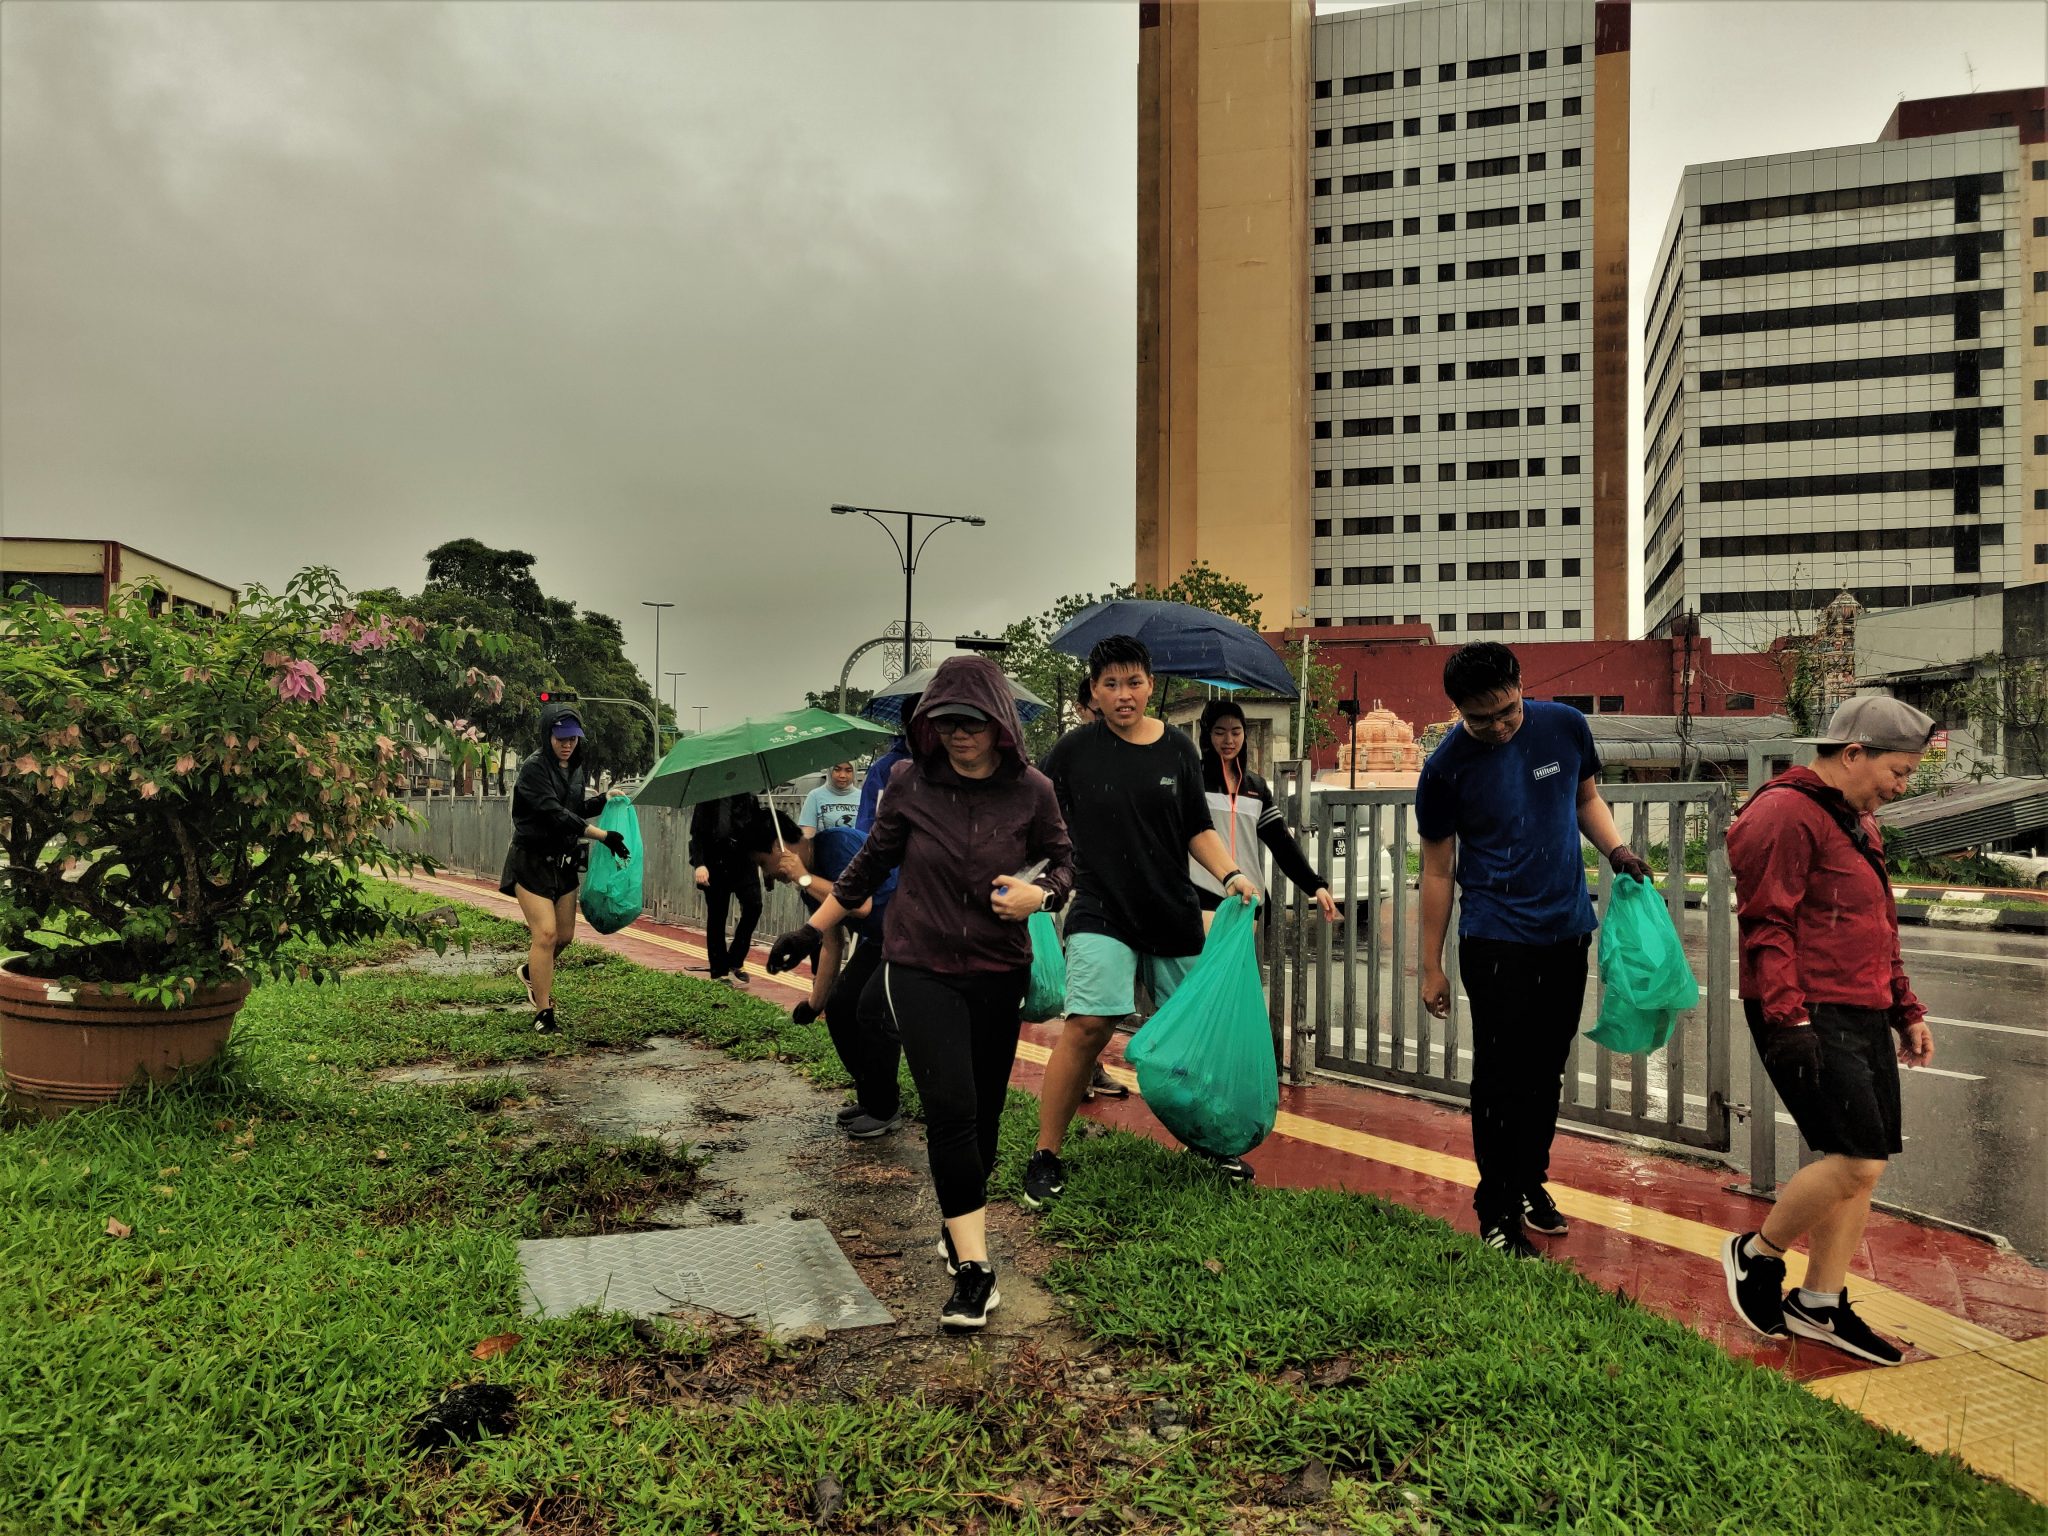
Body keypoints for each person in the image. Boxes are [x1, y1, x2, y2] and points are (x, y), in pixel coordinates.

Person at [766, 657, 1074, 1331]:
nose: (959, 734)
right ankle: (975, 1270)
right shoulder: (908, 782)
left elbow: (1065, 861)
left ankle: (958, 1222)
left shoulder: (1033, 791)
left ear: (1000, 724)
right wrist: (809, 929)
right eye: (945, 722)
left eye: (972, 722)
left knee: (985, 1115)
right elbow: (869, 863)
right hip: (919, 965)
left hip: (998, 968)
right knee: (951, 1110)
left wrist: (1041, 896)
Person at [1414, 643, 1651, 1258]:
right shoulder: (1444, 769)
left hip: (1566, 930)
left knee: (1546, 1070)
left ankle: (1526, 1181)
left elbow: (1584, 798)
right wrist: (1430, 966)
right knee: (1501, 1078)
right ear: (1457, 709)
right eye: (1480, 719)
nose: (1498, 727)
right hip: (1495, 938)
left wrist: (1617, 850)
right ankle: (1495, 1208)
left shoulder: (1565, 726)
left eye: (1507, 711)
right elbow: (1437, 871)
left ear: (1522, 685)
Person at [1720, 696, 1936, 1365]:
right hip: (1809, 1009)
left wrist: (1904, 1008)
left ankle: (1819, 1303)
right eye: (1897, 772)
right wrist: (1788, 1017)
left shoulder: (1855, 820)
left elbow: (1878, 921)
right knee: (1856, 1159)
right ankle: (1757, 1254)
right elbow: (1768, 922)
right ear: (1853, 753)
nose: (1900, 788)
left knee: (1864, 1166)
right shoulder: (1785, 812)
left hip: (1861, 1006)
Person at [1023, 636, 1260, 1206]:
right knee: (1088, 1025)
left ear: (1150, 685)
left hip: (1170, 907)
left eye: (1133, 682)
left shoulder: (1177, 748)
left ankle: (1211, 1142)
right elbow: (1032, 810)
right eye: (1110, 684)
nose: (1123, 694)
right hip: (1101, 908)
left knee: (1193, 1034)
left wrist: (1231, 874)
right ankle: (1046, 1154)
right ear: (1094, 691)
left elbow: (1197, 828)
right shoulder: (1073, 750)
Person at [760, 814, 904, 1139]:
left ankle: (884, 1109)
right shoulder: (807, 886)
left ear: (782, 847)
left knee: (872, 1010)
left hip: (910, 934)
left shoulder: (838, 844)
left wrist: (805, 877)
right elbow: (831, 943)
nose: (767, 874)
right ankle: (872, 1098)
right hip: (879, 941)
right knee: (839, 1008)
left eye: (763, 862)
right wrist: (815, 1004)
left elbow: (861, 904)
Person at [499, 702, 631, 1034]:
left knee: (565, 936)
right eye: (561, 738)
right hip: (531, 862)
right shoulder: (533, 769)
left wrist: (603, 799)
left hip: (564, 863)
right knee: (545, 934)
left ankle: (531, 971)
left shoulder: (574, 768)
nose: (567, 744)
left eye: (572, 738)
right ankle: (544, 1013)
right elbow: (554, 813)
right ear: (548, 736)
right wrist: (603, 836)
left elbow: (573, 808)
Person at [1194, 697, 1339, 927]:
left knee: (1242, 954)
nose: (1229, 740)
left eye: (1236, 732)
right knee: (1209, 952)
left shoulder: (1256, 787)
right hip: (1203, 896)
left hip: (1247, 899)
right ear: (1207, 735)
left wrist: (1315, 885)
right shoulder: (1193, 781)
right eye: (1219, 732)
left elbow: (1281, 842)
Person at [688, 792, 771, 985]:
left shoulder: (750, 799)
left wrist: (767, 863)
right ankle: (719, 971)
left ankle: (735, 958)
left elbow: (758, 835)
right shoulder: (707, 799)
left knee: (754, 906)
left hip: (745, 863)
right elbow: (697, 835)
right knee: (717, 916)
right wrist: (699, 864)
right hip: (716, 863)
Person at [799, 762, 862, 835]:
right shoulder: (815, 796)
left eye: (848, 770)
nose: (842, 775)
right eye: (837, 770)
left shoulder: (863, 796)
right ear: (830, 771)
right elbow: (807, 833)